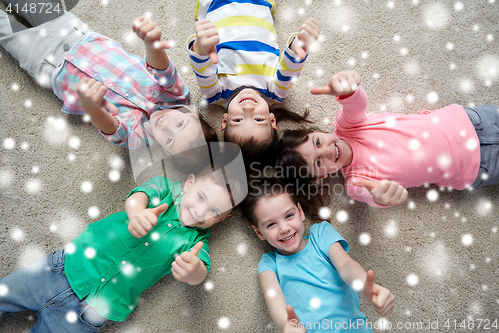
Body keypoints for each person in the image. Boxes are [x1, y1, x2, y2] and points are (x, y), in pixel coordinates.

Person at [0, 157, 248, 332]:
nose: (200, 211)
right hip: (65, 267)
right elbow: (137, 197)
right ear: (190, 182)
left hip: (93, 310)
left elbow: (200, 271)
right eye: (201, 197)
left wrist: (192, 270)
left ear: (223, 219)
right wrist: (138, 213)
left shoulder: (195, 242)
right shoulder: (164, 189)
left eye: (214, 211)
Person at [0, 1, 216, 155]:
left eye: (169, 139)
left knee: (5, 29)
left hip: (48, 64)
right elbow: (163, 71)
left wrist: (91, 107)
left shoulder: (139, 139)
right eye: (179, 124)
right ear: (190, 114)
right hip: (79, 35)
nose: (166, 126)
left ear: (167, 153)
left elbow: (114, 129)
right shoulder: (177, 95)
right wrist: (152, 43)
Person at [276, 70, 499, 208]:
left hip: (468, 121)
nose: (326, 151)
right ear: (319, 178)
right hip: (475, 166)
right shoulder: (356, 182)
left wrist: (348, 91)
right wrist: (380, 196)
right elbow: (370, 195)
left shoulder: (346, 126)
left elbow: (356, 105)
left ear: (315, 132)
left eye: (317, 142)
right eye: (318, 162)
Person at [239, 178, 395, 333]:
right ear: (259, 232)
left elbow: (346, 265)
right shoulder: (269, 264)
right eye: (271, 224)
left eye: (289, 216)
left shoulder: (320, 235)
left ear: (300, 212)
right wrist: (285, 324)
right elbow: (272, 295)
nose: (284, 228)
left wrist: (364, 285)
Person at [186, 0, 317, 166]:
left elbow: (201, 68)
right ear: (272, 121)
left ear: (225, 120)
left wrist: (199, 47)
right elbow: (289, 68)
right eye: (258, 120)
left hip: (218, 4)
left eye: (238, 120)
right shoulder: (276, 92)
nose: (248, 109)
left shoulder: (215, 94)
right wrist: (300, 46)